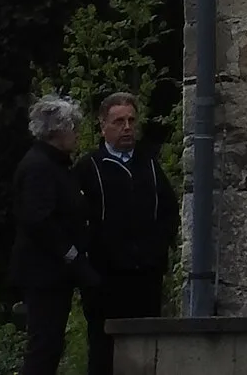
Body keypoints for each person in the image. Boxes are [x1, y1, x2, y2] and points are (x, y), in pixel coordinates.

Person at [73, 93, 179, 375]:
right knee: (104, 350)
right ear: (103, 126)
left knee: (146, 349)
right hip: (105, 279)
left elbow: (169, 210)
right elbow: (76, 220)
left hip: (146, 275)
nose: (127, 127)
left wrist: (159, 248)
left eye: (131, 120)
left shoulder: (149, 165)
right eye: (119, 121)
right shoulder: (89, 168)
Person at [9, 98, 99, 375]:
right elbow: (40, 221)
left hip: (55, 273)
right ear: (57, 131)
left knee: (50, 345)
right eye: (73, 128)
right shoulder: (39, 167)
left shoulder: (56, 165)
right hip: (44, 273)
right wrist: (72, 256)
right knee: (43, 346)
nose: (77, 134)